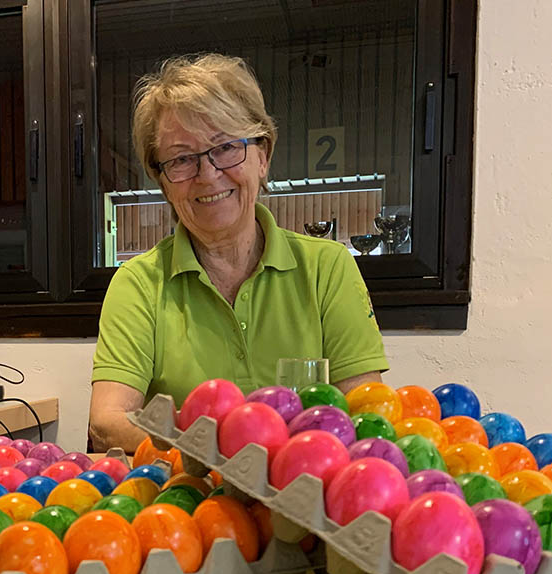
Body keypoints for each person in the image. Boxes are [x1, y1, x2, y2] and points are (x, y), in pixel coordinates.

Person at [88, 53, 388, 453]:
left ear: (262, 157)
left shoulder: (327, 269)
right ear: (163, 181)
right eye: (181, 159)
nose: (208, 174)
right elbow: (107, 422)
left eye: (226, 147)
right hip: (185, 503)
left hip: (303, 496)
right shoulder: (139, 283)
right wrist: (219, 453)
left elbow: (369, 414)